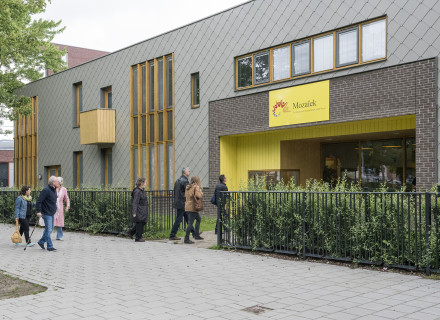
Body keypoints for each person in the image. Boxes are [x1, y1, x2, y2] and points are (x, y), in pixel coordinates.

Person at [169, 167, 196, 240]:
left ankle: (194, 233)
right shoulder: (184, 181)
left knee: (187, 218)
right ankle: (172, 235)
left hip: (179, 202)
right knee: (179, 219)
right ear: (185, 173)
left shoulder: (178, 180)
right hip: (182, 203)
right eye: (188, 171)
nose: (189, 172)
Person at [36, 176, 59, 251]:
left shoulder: (54, 190)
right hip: (46, 213)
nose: (58, 182)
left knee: (50, 229)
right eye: (56, 181)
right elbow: (39, 201)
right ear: (53, 183)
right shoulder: (46, 190)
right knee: (49, 229)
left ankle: (41, 241)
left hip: (51, 213)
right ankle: (49, 246)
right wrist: (39, 211)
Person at [184, 176, 204, 244]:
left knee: (198, 219)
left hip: (187, 206)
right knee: (190, 223)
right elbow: (199, 196)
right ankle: (186, 239)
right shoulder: (196, 186)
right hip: (193, 207)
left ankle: (196, 235)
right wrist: (201, 192)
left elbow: (186, 196)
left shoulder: (188, 187)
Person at [128, 177, 149, 242]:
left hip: (143, 209)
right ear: (141, 183)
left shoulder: (142, 190)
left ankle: (131, 232)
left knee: (142, 222)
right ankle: (138, 238)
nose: (146, 184)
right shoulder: (137, 191)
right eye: (145, 182)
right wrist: (134, 212)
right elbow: (135, 202)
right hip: (139, 210)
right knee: (140, 223)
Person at [54, 177, 70, 241]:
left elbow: (67, 198)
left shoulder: (64, 189)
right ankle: (47, 235)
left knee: (59, 222)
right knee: (50, 221)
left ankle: (59, 236)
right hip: (52, 207)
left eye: (57, 181)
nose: (55, 183)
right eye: (55, 181)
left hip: (60, 207)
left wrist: (67, 206)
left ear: (60, 182)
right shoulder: (53, 188)